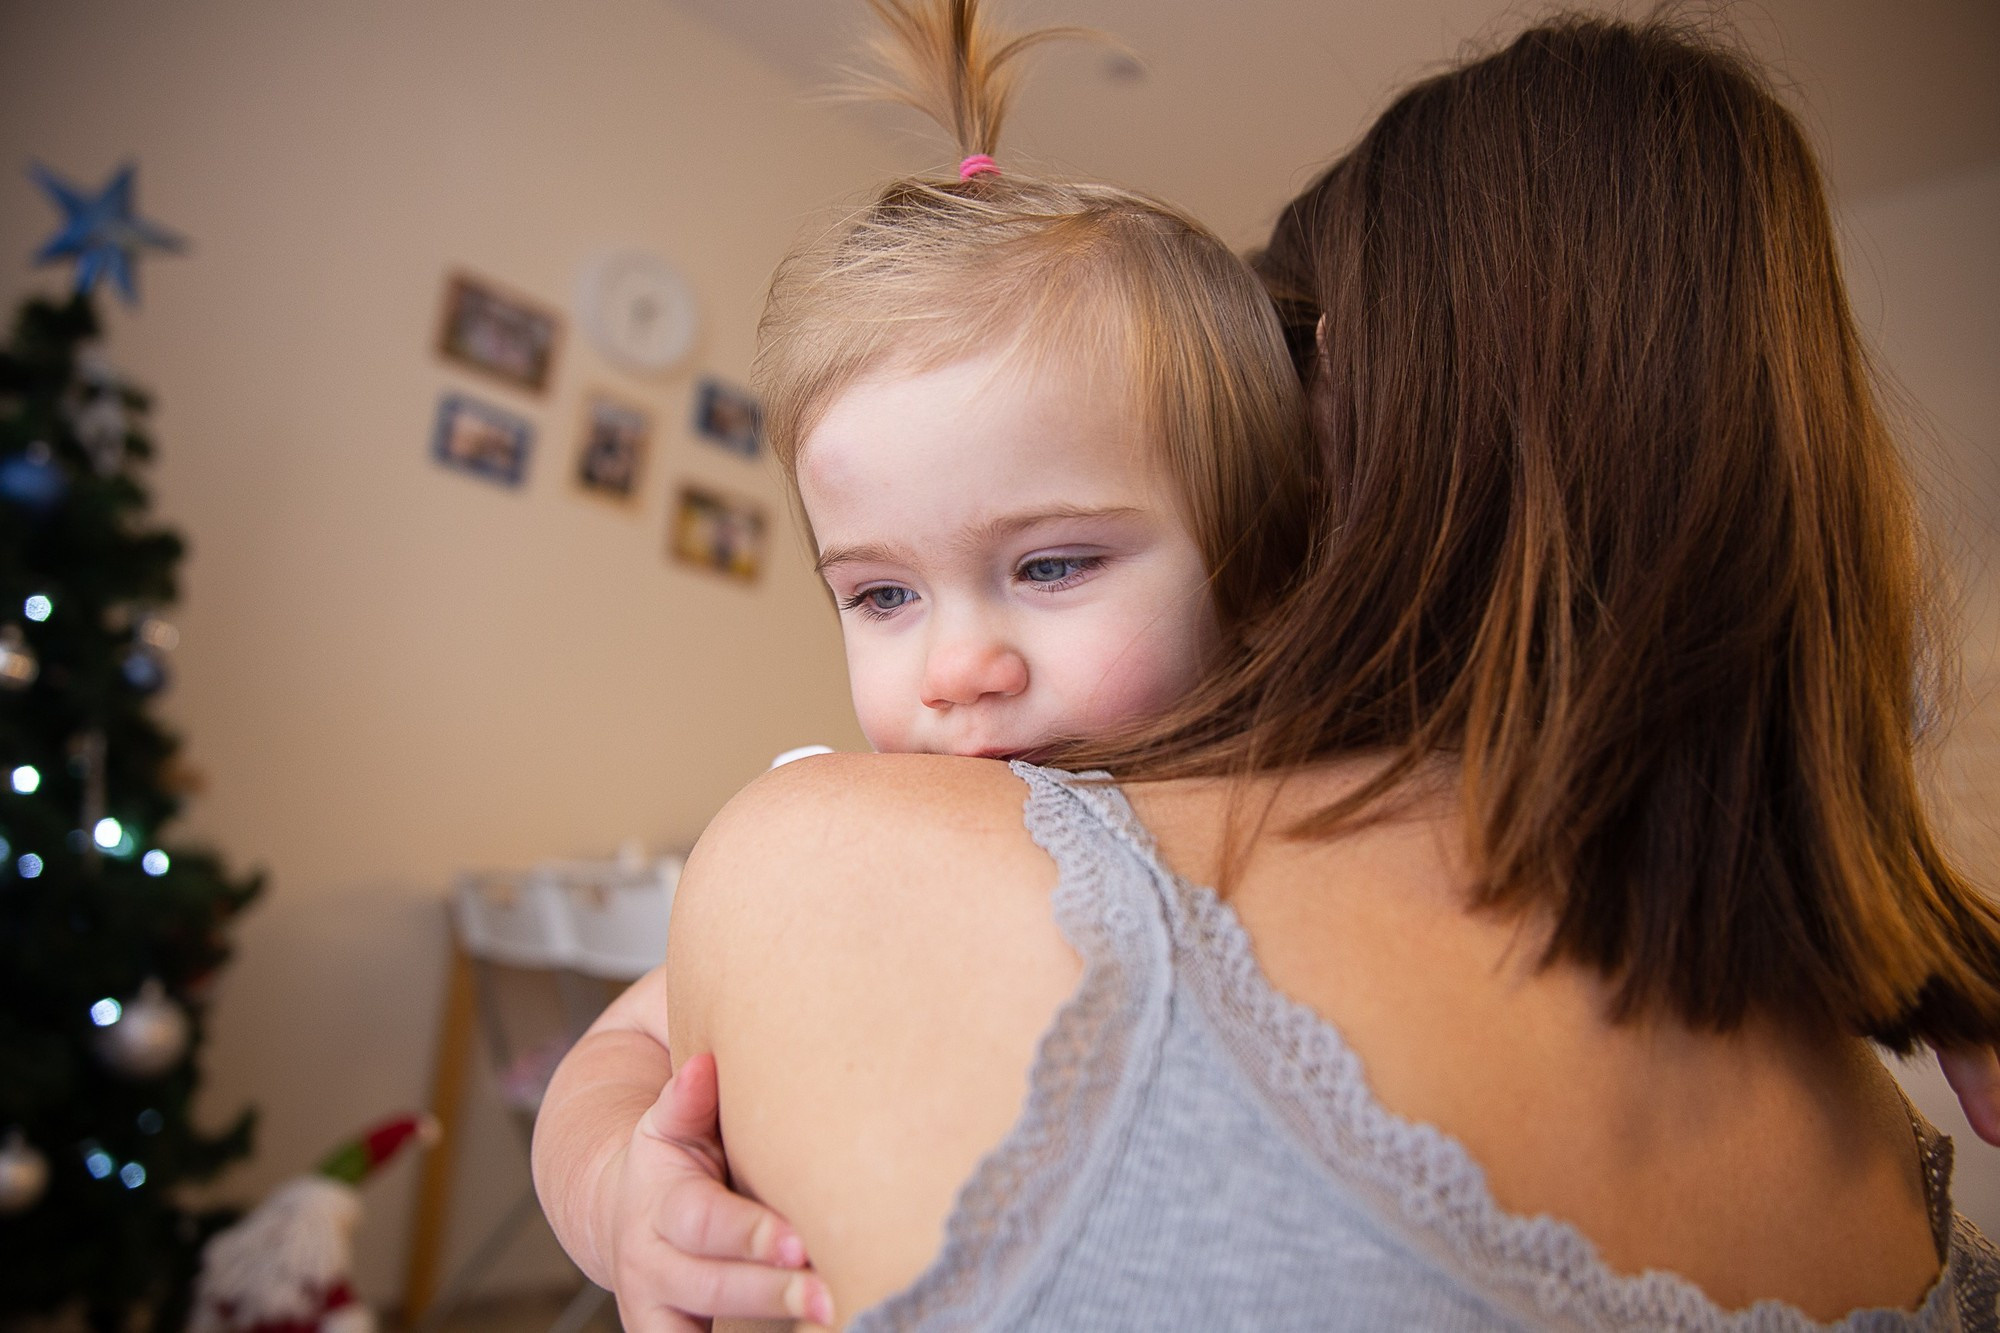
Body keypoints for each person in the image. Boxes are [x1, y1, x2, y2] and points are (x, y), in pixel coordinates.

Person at [536, 9, 2000, 1330]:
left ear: (1262, 531)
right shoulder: (865, 807)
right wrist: (614, 1189)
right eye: (877, 593)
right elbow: (627, 1051)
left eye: (1054, 564)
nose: (961, 662)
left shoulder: (922, 856)